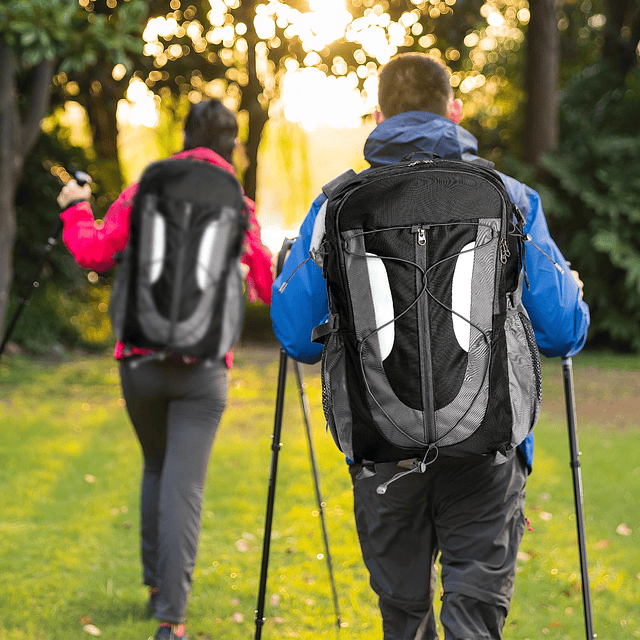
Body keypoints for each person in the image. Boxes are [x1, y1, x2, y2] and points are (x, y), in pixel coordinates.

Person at [271, 53, 590, 640]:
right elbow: (563, 328)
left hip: (381, 446)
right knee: (474, 617)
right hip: (487, 448)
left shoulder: (337, 204)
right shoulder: (509, 196)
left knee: (404, 618)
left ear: (377, 114)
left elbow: (296, 336)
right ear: (455, 110)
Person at [57, 99, 273, 640]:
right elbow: (268, 285)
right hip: (204, 369)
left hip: (140, 362)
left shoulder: (143, 191)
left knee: (156, 466)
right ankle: (171, 621)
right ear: (233, 146)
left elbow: (94, 254)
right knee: (185, 484)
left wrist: (75, 207)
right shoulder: (238, 205)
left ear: (183, 137)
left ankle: (157, 588)